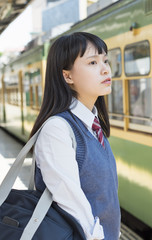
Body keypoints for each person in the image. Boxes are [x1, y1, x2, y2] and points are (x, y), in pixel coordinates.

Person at [29, 32, 121, 240]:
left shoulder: (92, 125)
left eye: (105, 60)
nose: (105, 69)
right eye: (92, 63)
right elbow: (72, 205)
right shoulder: (58, 129)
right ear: (67, 76)